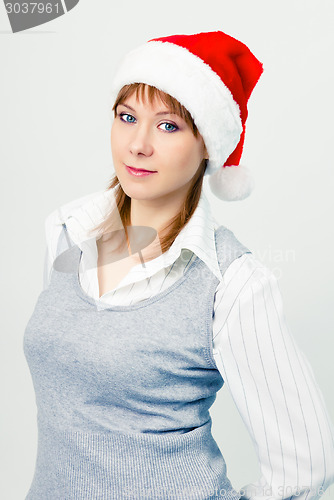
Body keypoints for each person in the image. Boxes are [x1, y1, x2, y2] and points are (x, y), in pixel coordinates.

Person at [23, 31, 334, 500]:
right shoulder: (68, 232)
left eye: (168, 126)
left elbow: (307, 466)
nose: (138, 145)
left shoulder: (231, 282)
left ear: (208, 143)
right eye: (127, 117)